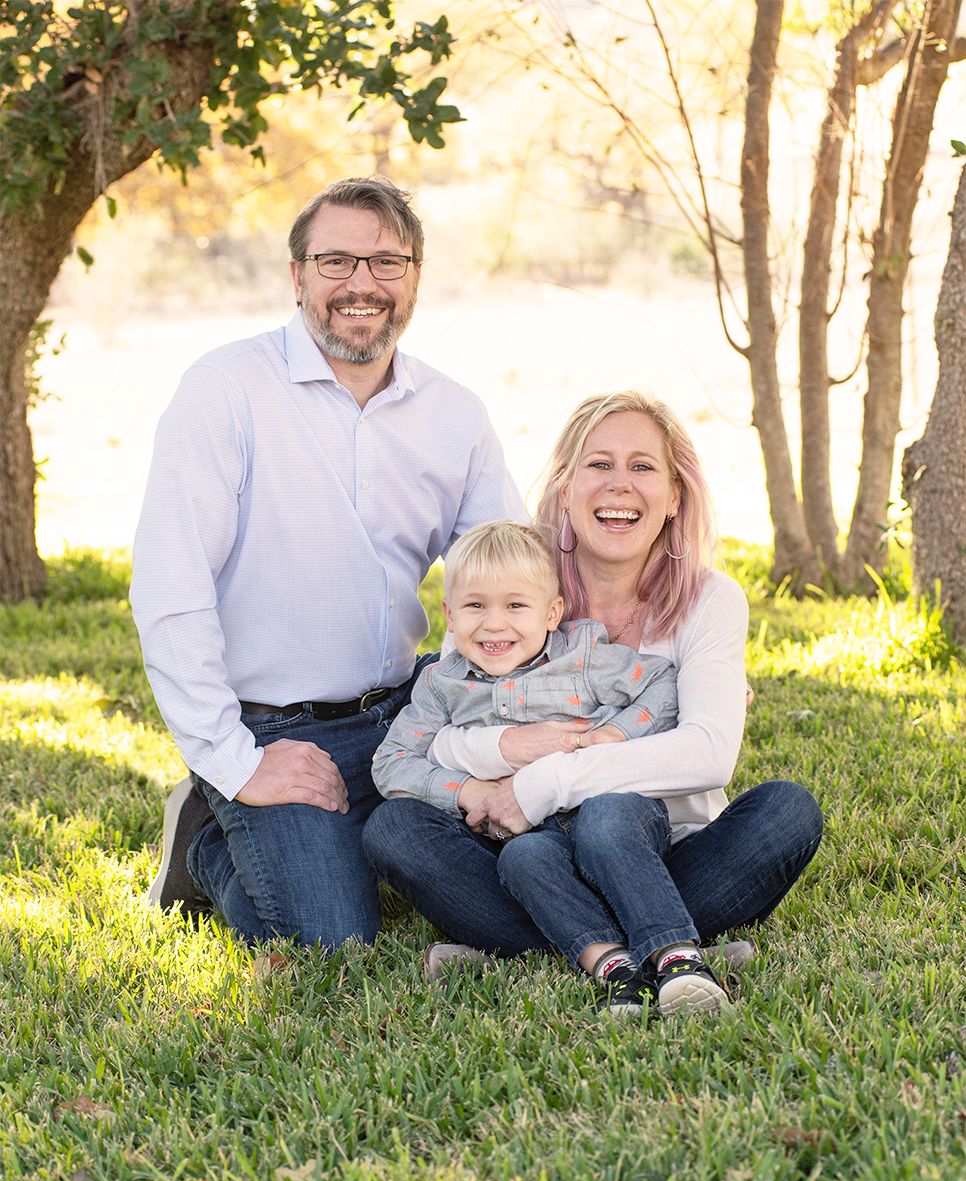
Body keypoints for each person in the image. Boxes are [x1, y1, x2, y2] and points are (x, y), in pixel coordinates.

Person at [131, 177, 525, 949]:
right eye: (336, 261)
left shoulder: (455, 413)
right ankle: (209, 837)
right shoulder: (225, 391)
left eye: (387, 263)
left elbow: (517, 573)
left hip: (410, 711)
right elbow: (170, 588)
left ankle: (355, 825)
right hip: (274, 726)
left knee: (522, 846)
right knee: (330, 939)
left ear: (414, 278)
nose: (362, 285)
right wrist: (235, 761)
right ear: (298, 275)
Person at [364, 389, 823, 1018]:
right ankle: (666, 949)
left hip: (660, 848)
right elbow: (443, 719)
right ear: (565, 488)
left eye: (643, 467)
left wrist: (548, 777)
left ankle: (544, 948)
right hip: (522, 852)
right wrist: (502, 748)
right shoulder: (517, 589)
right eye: (599, 464)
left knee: (786, 812)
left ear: (674, 497)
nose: (620, 486)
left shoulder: (710, 600)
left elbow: (710, 754)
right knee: (396, 830)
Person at [371, 519, 678, 815]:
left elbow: (662, 682)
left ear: (551, 614)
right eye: (475, 605)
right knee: (392, 824)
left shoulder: (579, 657)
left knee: (539, 849)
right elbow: (390, 762)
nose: (493, 624)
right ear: (450, 616)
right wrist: (467, 790)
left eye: (515, 606)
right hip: (489, 819)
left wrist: (615, 732)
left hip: (582, 812)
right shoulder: (442, 684)